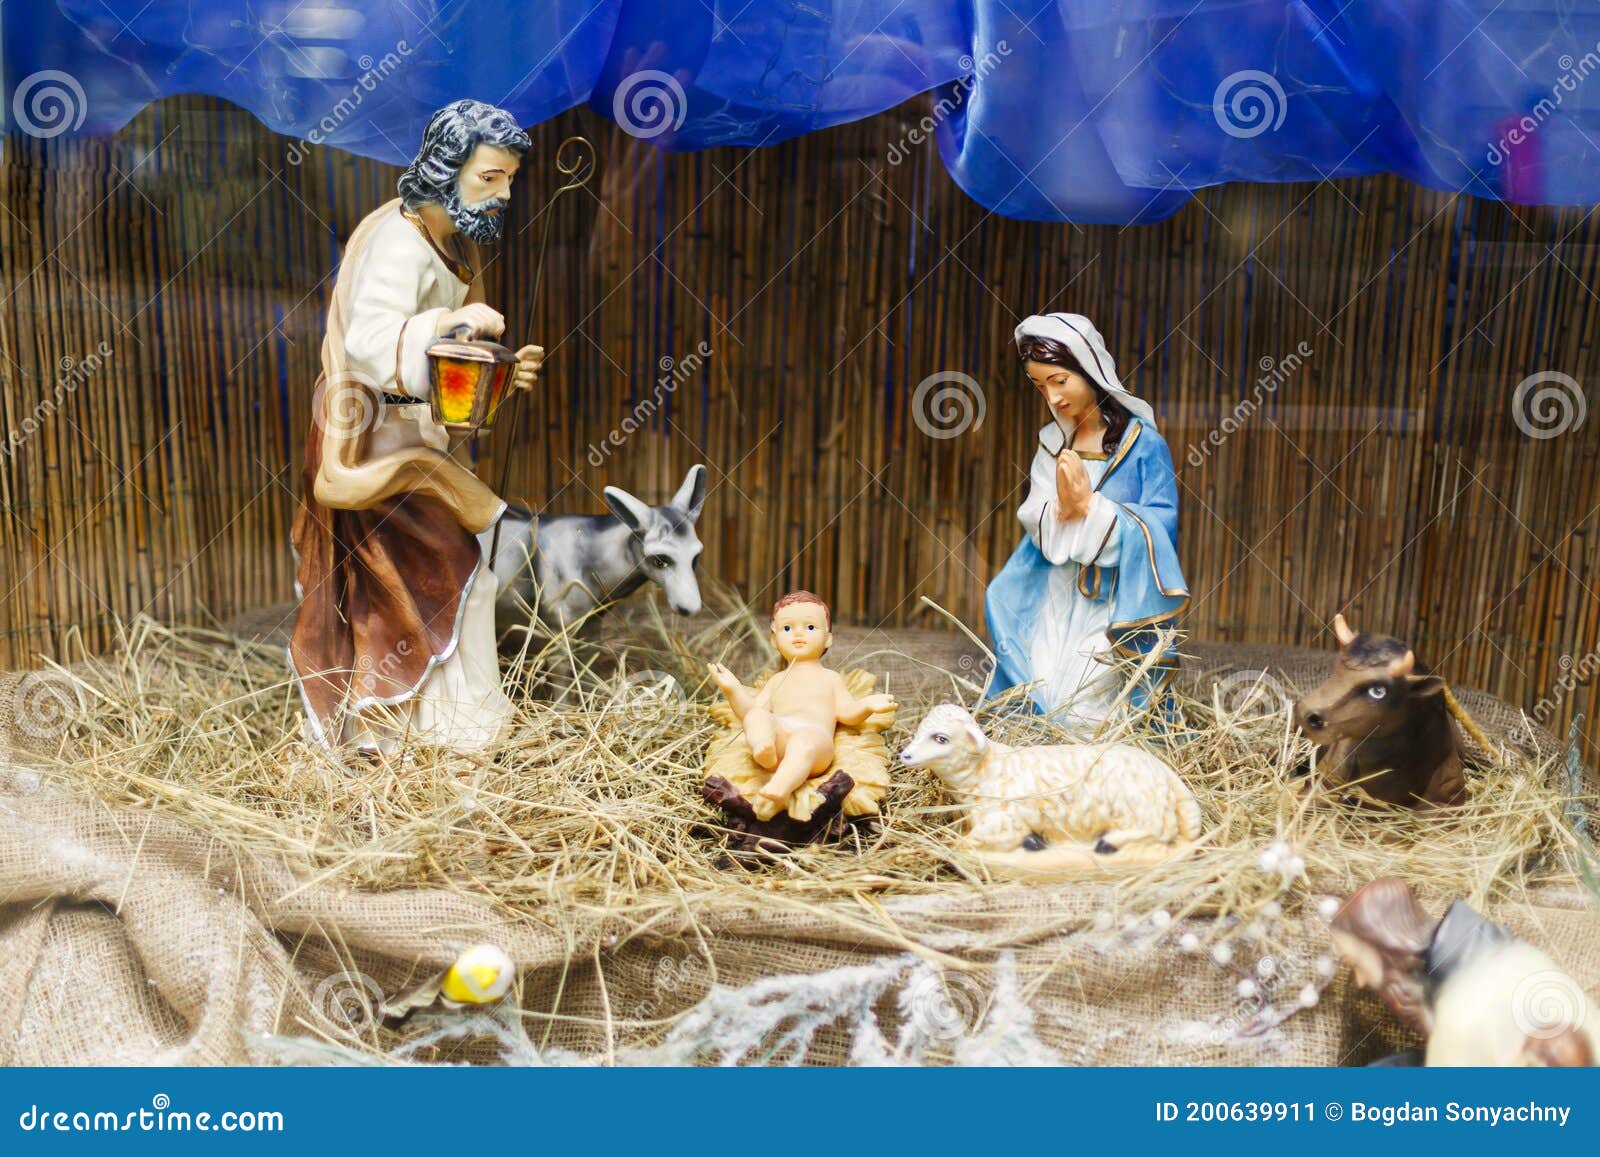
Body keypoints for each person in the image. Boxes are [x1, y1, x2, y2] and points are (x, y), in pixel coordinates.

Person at [289, 100, 544, 756]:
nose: (503, 193)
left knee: (446, 577)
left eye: (510, 179)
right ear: (446, 167)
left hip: (404, 436)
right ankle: (419, 728)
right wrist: (450, 325)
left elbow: (436, 377)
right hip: (370, 441)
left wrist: (496, 373)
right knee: (443, 576)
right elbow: (375, 345)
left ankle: (437, 726)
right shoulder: (400, 242)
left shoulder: (436, 240)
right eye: (490, 176)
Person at [983, 312, 1187, 725]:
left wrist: (1091, 510)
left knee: (1089, 698)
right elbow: (1034, 512)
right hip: (1055, 588)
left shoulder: (1143, 445)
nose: (1052, 398)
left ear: (1090, 371)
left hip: (1112, 600)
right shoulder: (1053, 441)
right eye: (1040, 386)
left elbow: (1161, 523)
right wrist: (1061, 509)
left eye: (1060, 381)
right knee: (1041, 678)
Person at [706, 591, 897, 810]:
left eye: (810, 627)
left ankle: (779, 787)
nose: (798, 634)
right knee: (758, 716)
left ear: (828, 638)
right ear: (774, 640)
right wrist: (733, 690)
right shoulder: (777, 680)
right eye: (787, 628)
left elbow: (847, 712)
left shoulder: (830, 678)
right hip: (780, 734)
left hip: (815, 738)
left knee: (802, 742)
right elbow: (750, 712)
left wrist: (868, 705)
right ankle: (763, 748)